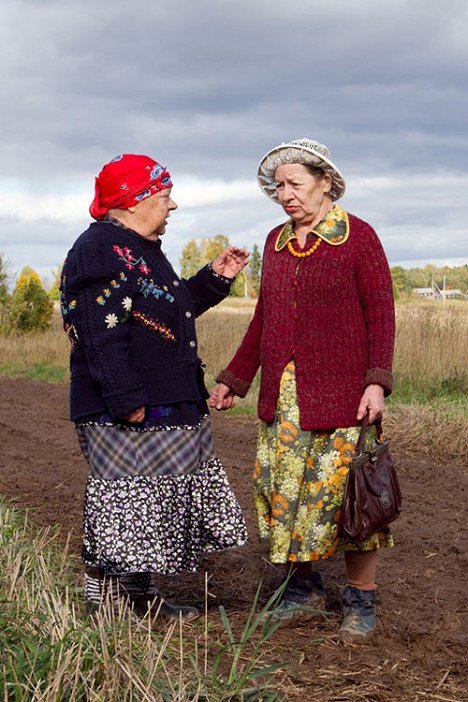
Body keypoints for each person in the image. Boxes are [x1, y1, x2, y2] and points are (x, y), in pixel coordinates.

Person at [210, 138, 395, 639]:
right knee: (286, 493)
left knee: (352, 497)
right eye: (278, 186)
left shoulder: (358, 238)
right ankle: (303, 590)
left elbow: (381, 314)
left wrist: (377, 382)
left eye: (294, 184)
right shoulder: (275, 242)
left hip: (344, 395)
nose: (284, 194)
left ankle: (361, 598)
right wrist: (235, 379)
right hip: (285, 398)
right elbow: (264, 320)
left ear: (325, 183)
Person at [60, 153, 249, 622]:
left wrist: (215, 279)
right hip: (124, 405)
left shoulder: (139, 248)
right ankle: (103, 602)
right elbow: (98, 332)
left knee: (153, 503)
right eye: (164, 196)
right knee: (123, 500)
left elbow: (167, 308)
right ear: (133, 201)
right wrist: (125, 399)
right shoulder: (100, 249)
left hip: (165, 400)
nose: (173, 206)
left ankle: (138, 598)